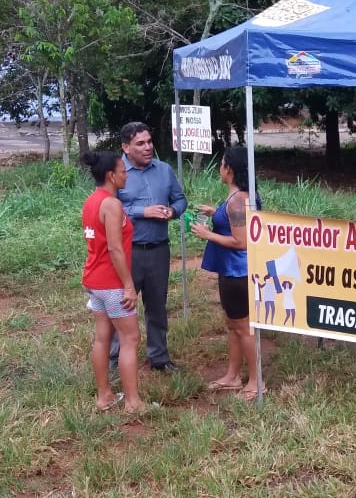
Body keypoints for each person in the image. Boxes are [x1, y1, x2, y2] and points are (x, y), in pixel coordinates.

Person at [111, 122, 187, 372]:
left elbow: (180, 198)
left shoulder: (164, 170)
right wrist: (144, 211)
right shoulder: (116, 172)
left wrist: (172, 211)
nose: (148, 147)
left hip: (158, 249)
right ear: (125, 147)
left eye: (149, 141)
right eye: (140, 143)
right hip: (128, 252)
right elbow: (110, 209)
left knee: (157, 306)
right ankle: (115, 359)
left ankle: (159, 358)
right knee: (122, 306)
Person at [192, 146, 265, 402]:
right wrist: (216, 213)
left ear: (229, 169)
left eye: (221, 163)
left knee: (244, 327)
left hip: (238, 271)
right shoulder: (241, 196)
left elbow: (241, 241)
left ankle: (256, 382)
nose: (219, 168)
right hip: (232, 270)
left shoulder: (238, 200)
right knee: (233, 324)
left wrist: (207, 234)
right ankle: (233, 376)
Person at [81, 151, 146, 413]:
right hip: (111, 283)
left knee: (102, 337)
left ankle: (104, 395)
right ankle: (133, 402)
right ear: (111, 175)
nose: (125, 174)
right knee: (130, 338)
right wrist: (128, 286)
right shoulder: (112, 205)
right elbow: (115, 250)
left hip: (94, 280)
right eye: (122, 170)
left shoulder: (91, 201)